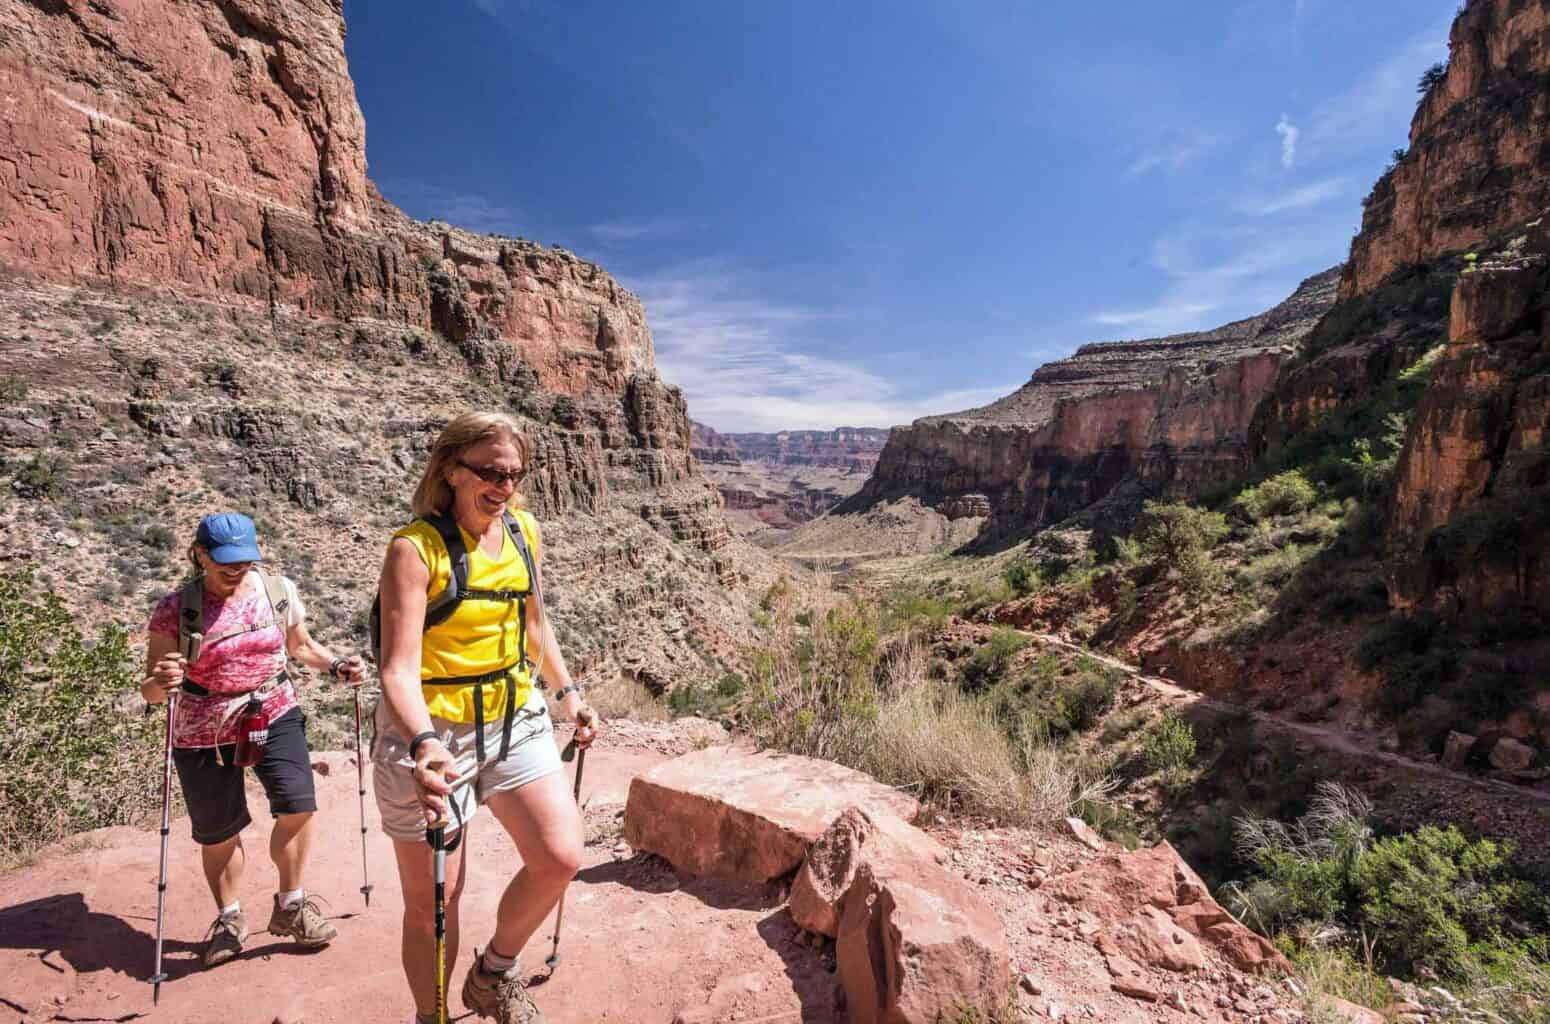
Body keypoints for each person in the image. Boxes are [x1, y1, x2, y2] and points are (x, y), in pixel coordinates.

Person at [372, 411, 599, 1024]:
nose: (504, 488)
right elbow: (396, 669)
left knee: (559, 857)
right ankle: (432, 1016)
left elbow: (533, 626)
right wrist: (423, 745)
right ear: (450, 469)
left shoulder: (524, 531)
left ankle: (492, 974)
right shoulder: (413, 550)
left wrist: (568, 693)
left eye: (515, 476)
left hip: (512, 714)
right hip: (432, 730)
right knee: (436, 905)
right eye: (492, 474)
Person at [142, 512, 365, 967]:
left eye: (244, 559)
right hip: (203, 725)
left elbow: (300, 646)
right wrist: (161, 680)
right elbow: (149, 687)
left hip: (272, 708)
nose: (235, 568)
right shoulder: (175, 609)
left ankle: (292, 906)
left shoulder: (276, 591)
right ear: (200, 554)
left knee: (298, 804)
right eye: (224, 560)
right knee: (218, 830)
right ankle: (229, 919)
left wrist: (338, 664)